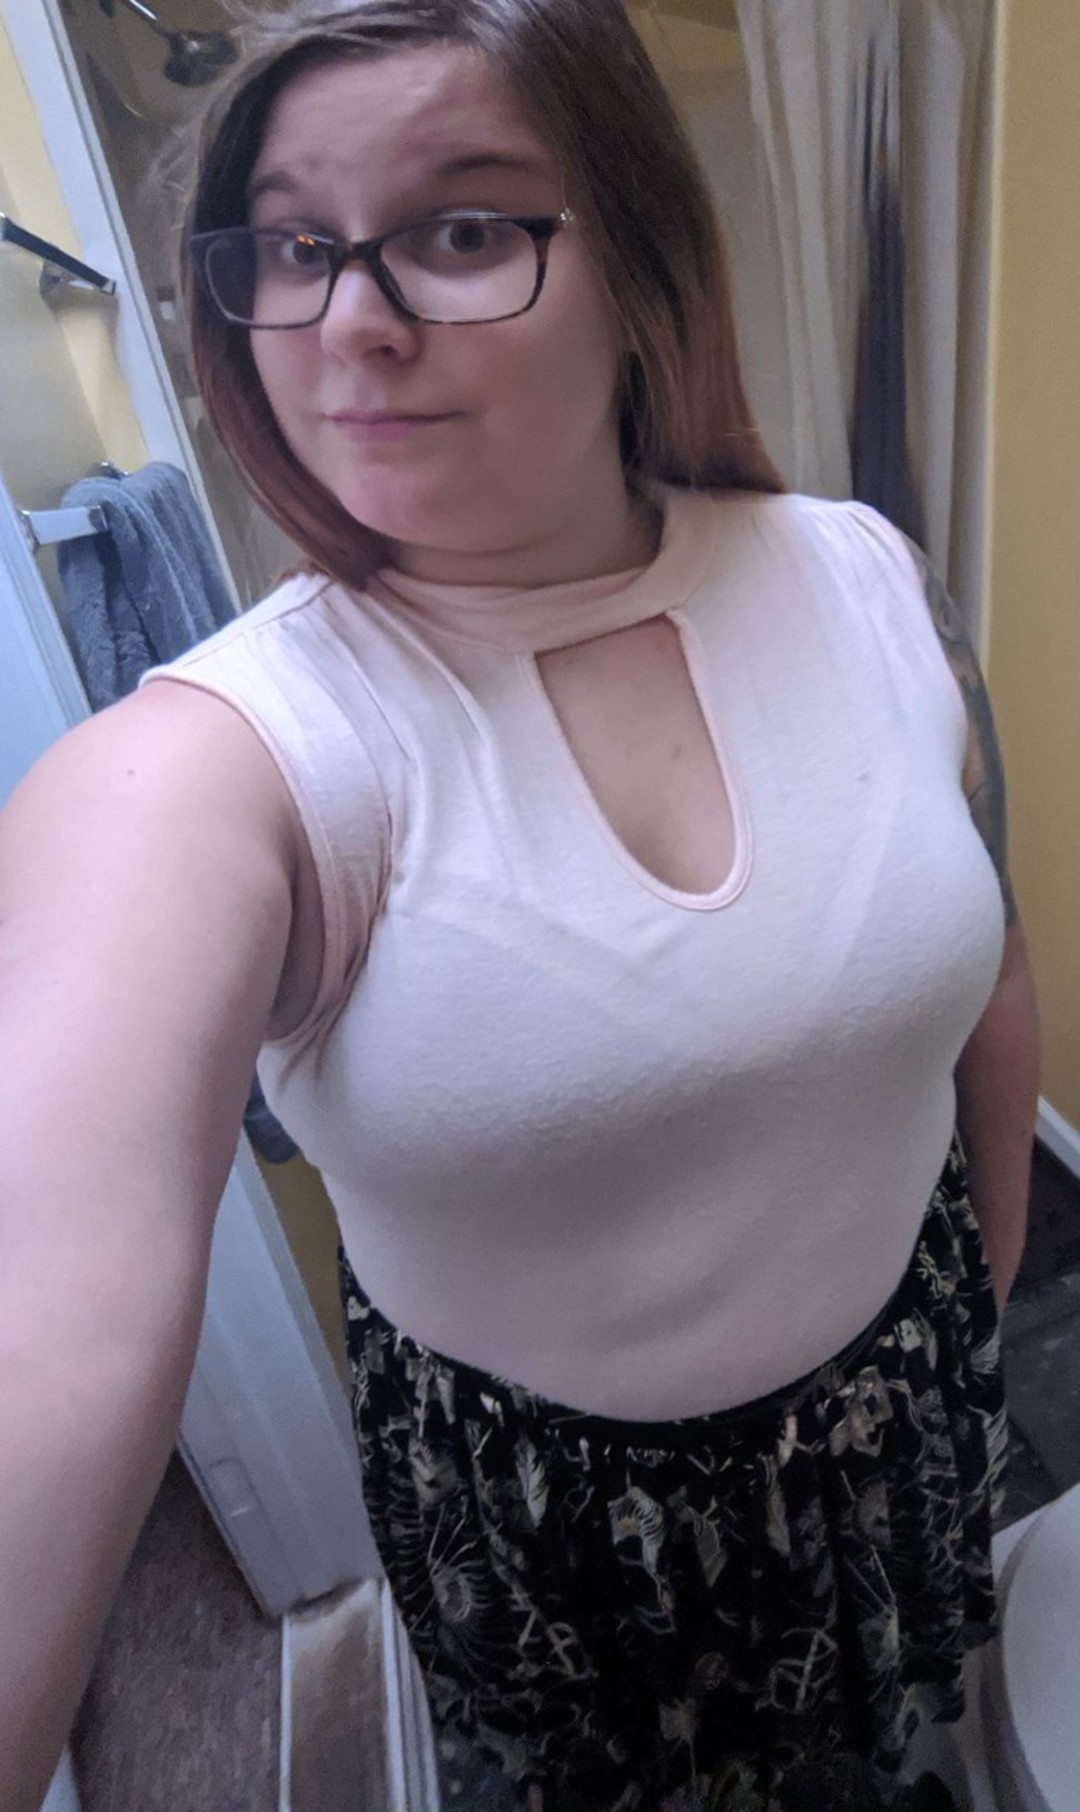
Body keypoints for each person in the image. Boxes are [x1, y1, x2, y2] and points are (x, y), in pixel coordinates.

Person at [0, 3, 1041, 1810]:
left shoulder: (866, 571)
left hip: (912, 1389)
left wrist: (979, 1302)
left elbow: (990, 967)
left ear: (640, 263)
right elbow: (50, 1327)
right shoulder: (212, 766)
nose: (352, 321)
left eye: (464, 228)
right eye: (293, 250)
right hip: (560, 1535)